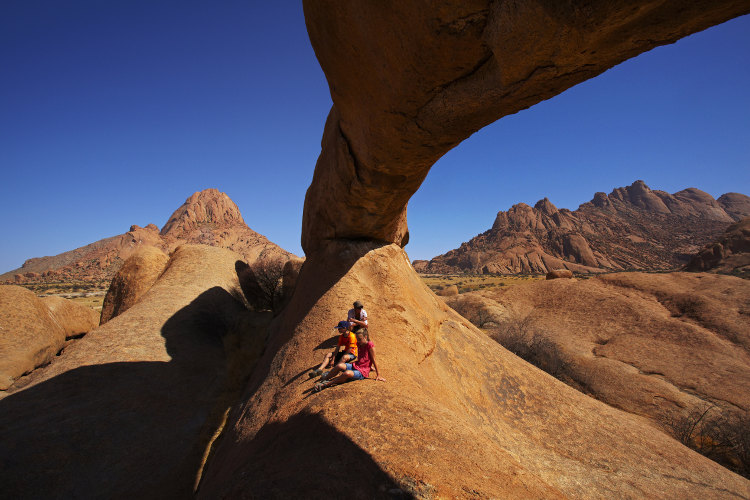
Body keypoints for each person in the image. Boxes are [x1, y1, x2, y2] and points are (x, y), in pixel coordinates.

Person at [314, 328, 385, 391]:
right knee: (339, 366)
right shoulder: (358, 344)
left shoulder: (370, 345)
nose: (358, 341)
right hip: (356, 365)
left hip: (362, 372)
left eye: (360, 339)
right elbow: (363, 357)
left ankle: (327, 384)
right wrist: (368, 366)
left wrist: (378, 374)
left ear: (365, 337)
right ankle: (325, 378)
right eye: (357, 339)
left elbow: (374, 360)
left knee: (347, 373)